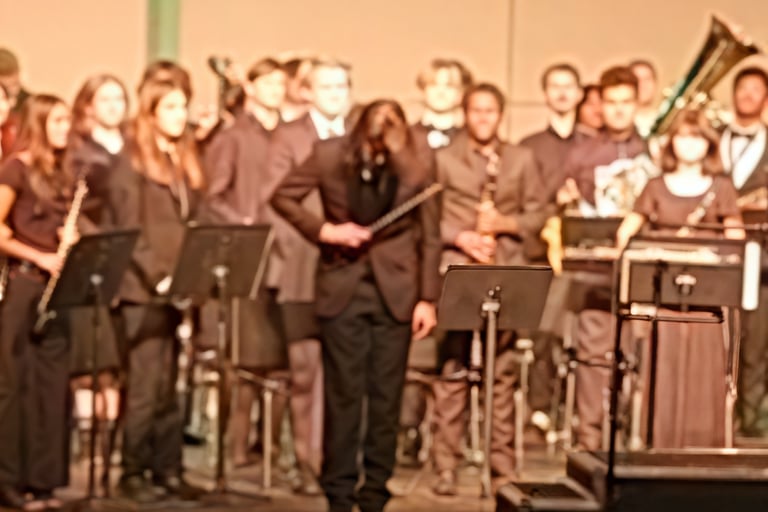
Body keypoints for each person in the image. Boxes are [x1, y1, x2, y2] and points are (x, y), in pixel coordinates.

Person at [270, 99, 439, 512]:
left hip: (396, 292)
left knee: (386, 397)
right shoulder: (330, 154)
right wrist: (326, 230)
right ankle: (339, 491)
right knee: (343, 396)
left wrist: (427, 298)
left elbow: (430, 235)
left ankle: (376, 489)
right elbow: (283, 198)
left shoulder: (419, 161)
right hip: (342, 286)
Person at [431, 83, 548, 495]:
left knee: (502, 375)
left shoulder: (521, 158)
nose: (483, 118)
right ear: (466, 114)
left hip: (506, 272)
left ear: (501, 115)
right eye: (476, 111)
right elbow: (429, 217)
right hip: (460, 270)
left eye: (490, 111)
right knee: (452, 372)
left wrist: (504, 225)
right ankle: (444, 465)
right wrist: (462, 237)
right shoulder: (443, 160)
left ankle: (502, 468)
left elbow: (538, 213)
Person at [616, 109, 743, 447]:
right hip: (664, 298)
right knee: (664, 366)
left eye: (697, 137)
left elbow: (736, 241)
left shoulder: (722, 188)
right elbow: (626, 233)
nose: (689, 144)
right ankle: (662, 442)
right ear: (672, 141)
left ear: (709, 144)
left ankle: (704, 446)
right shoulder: (656, 186)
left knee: (705, 367)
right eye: (683, 136)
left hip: (707, 300)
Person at [109, 75, 206, 502]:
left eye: (182, 107)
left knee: (172, 385)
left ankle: (169, 468)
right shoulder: (129, 162)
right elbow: (130, 228)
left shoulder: (182, 158)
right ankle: (133, 470)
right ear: (150, 114)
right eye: (169, 108)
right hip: (142, 290)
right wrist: (158, 275)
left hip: (177, 288)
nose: (179, 116)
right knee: (146, 385)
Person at [262, 57, 352, 494]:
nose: (336, 94)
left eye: (342, 86)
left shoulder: (357, 139)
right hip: (301, 265)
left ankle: (338, 462)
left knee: (344, 370)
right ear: (309, 93)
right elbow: (275, 203)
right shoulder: (289, 137)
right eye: (327, 86)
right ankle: (307, 461)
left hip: (349, 271)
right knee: (304, 370)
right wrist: (319, 236)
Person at [556, 66, 649, 450]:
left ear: (637, 102)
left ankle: (638, 437)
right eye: (611, 102)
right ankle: (590, 441)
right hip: (596, 272)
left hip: (644, 271)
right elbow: (568, 208)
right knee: (594, 358)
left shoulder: (654, 149)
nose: (618, 110)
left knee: (643, 355)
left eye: (626, 102)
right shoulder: (581, 153)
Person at [203, 57, 289, 469]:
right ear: (250, 88)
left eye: (280, 83)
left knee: (281, 362)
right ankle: (235, 449)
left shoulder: (291, 136)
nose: (275, 89)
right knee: (243, 359)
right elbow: (213, 197)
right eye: (267, 83)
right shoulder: (233, 137)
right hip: (247, 257)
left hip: (287, 259)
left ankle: (270, 449)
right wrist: (246, 224)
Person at [0, 94, 74, 510]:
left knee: (50, 385)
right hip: (24, 284)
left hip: (56, 288)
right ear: (41, 123)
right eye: (59, 120)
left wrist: (69, 238)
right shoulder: (16, 169)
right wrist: (41, 255)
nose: (66, 128)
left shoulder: (60, 174)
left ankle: (43, 479)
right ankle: (9, 481)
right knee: (16, 385)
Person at [398, 57, 472, 465]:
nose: (442, 91)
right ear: (422, 90)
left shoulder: (472, 140)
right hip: (415, 256)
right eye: (435, 84)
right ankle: (406, 430)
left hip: (461, 261)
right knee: (414, 348)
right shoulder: (407, 138)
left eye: (451, 84)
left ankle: (448, 443)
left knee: (453, 354)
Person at [66, 73, 130, 464]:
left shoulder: (137, 150)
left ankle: (117, 442)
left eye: (119, 99)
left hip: (133, 259)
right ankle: (91, 444)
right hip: (94, 257)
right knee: (93, 357)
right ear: (88, 105)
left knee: (122, 358)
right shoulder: (78, 153)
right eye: (104, 99)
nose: (113, 106)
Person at [719, 66, 768, 437]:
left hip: (760, 253)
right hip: (714, 250)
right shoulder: (711, 138)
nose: (748, 94)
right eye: (743, 88)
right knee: (715, 335)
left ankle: (750, 420)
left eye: (756, 89)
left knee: (756, 340)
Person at [629, 59, 659, 137]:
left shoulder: (668, 121)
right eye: (636, 80)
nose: (642, 84)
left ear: (655, 84)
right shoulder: (618, 124)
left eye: (647, 79)